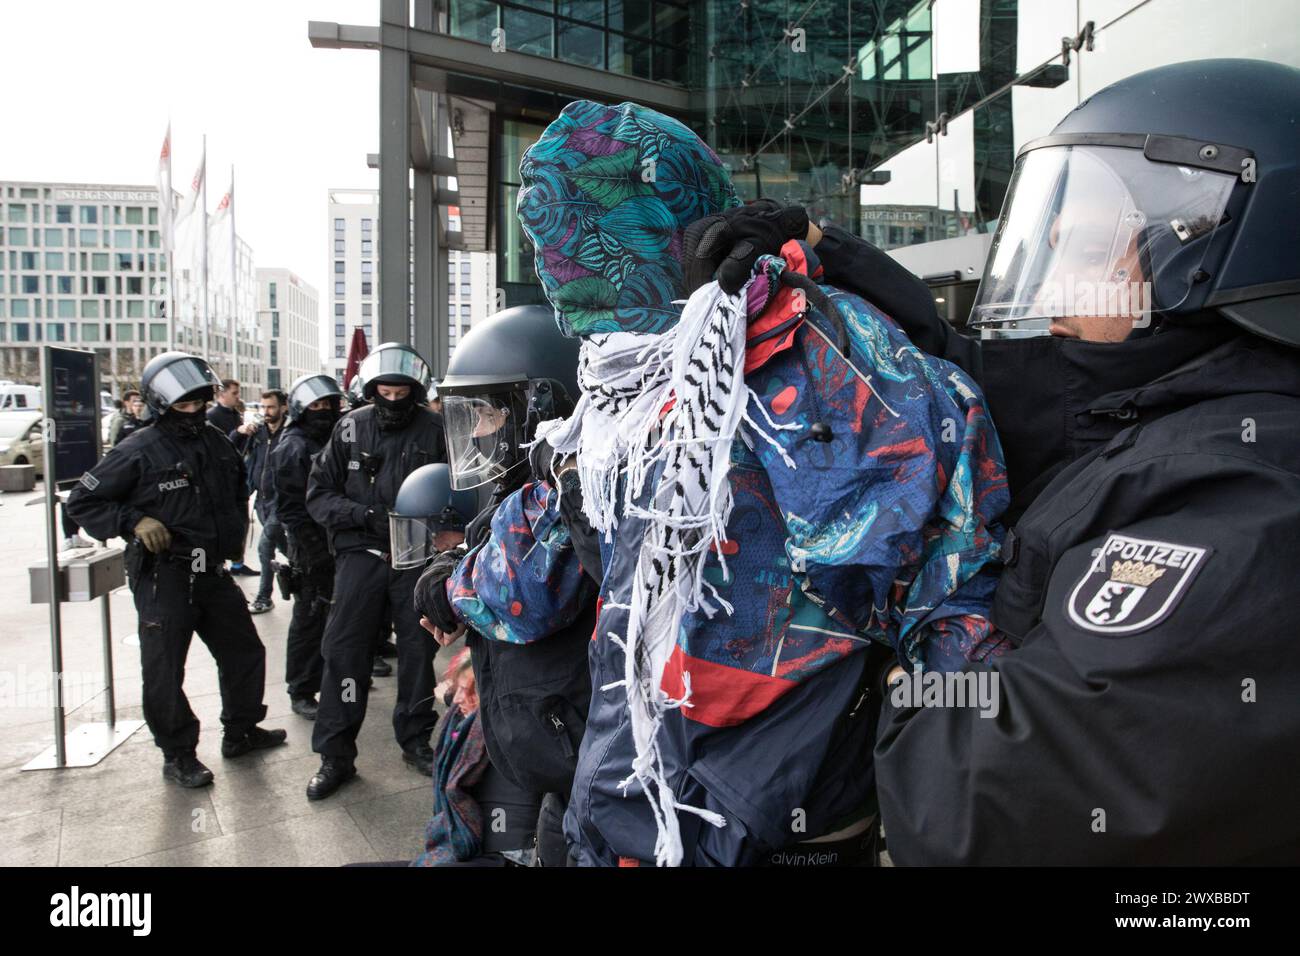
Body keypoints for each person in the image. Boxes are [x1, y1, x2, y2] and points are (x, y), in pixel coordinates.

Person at [687, 59, 1300, 864]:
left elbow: (980, 793)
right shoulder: (1162, 407)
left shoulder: (1247, 500)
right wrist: (826, 257)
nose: (1055, 249)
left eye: (1089, 223)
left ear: (1201, 248)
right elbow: (991, 382)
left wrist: (905, 649)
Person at [446, 100, 1007, 867]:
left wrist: (936, 818)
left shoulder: (820, 360)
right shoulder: (615, 393)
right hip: (628, 802)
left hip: (770, 825)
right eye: (541, 235)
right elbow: (527, 581)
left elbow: (943, 607)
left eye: (573, 232)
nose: (553, 265)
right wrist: (452, 590)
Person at [413, 305, 595, 866]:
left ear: (543, 406)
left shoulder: (573, 479)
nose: (480, 432)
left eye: (489, 414)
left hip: (585, 751)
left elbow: (523, 597)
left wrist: (450, 588)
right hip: (557, 754)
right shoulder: (523, 486)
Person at [66, 351, 286, 788]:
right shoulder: (137, 448)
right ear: (161, 404)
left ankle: (241, 730)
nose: (192, 412)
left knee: (244, 652)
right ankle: (178, 753)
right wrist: (133, 521)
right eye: (182, 406)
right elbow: (82, 502)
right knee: (165, 668)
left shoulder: (215, 441)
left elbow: (234, 492)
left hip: (212, 570)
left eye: (198, 404)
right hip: (164, 574)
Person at [303, 342, 448, 800]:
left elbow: (462, 489)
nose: (391, 396)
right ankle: (336, 754)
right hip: (360, 559)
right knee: (345, 655)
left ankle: (416, 739)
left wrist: (445, 530)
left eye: (401, 390)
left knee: (417, 655)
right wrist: (363, 517)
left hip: (416, 560)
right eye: (384, 389)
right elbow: (319, 495)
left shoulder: (437, 430)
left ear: (415, 389)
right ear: (370, 388)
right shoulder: (349, 428)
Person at [410, 649, 545, 867]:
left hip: (507, 854)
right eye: (457, 690)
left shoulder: (513, 730)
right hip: (483, 841)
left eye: (467, 692)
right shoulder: (475, 722)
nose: (458, 700)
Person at [272, 374, 345, 720]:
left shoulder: (329, 439)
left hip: (335, 540)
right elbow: (289, 508)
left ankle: (328, 680)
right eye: (316, 405)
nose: (323, 410)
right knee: (309, 617)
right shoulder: (294, 447)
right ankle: (301, 688)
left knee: (332, 616)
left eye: (328, 404)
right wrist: (312, 549)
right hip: (309, 545)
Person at [207, 378, 258, 577]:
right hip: (220, 479)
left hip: (237, 475)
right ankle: (219, 564)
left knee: (241, 521)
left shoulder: (235, 414)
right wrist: (237, 432)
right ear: (222, 394)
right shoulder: (212, 416)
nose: (238, 397)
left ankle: (238, 562)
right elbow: (218, 446)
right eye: (234, 393)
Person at [245, 389, 289, 614]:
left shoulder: (290, 432)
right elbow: (245, 458)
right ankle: (312, 575)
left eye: (270, 407)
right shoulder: (258, 433)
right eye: (263, 407)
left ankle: (264, 596)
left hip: (280, 502)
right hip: (261, 501)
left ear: (283, 407)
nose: (266, 412)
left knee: (264, 548)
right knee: (284, 547)